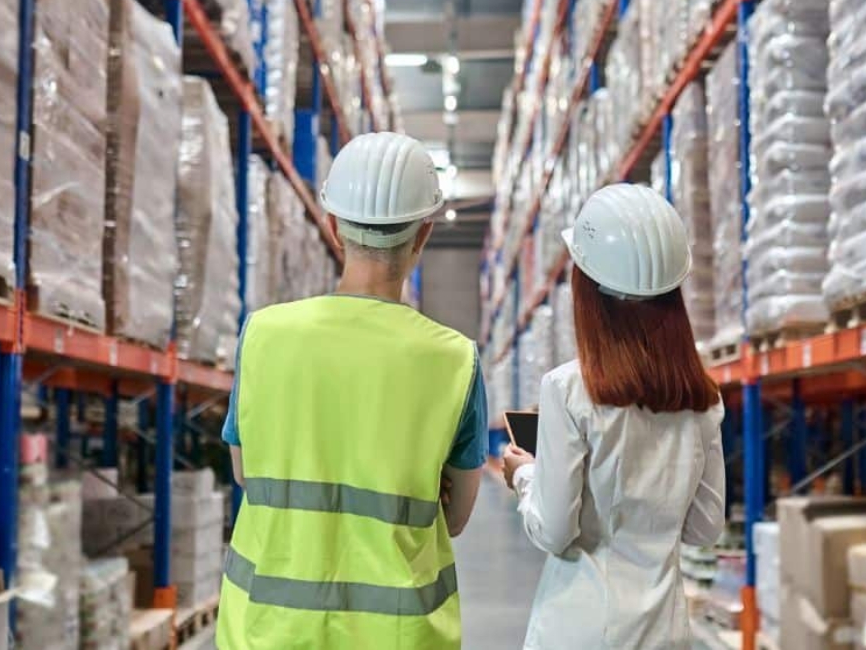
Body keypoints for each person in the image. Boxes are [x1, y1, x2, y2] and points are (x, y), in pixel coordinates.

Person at [217, 132, 488, 650]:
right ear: (423, 235)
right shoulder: (454, 359)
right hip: (398, 636)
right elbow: (454, 517)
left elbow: (246, 473)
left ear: (334, 227)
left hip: (266, 629)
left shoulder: (264, 336)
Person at [502, 183, 727, 650]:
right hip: (664, 633)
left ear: (588, 292)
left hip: (579, 629)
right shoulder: (702, 400)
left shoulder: (568, 390)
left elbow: (554, 530)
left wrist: (525, 475)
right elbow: (705, 528)